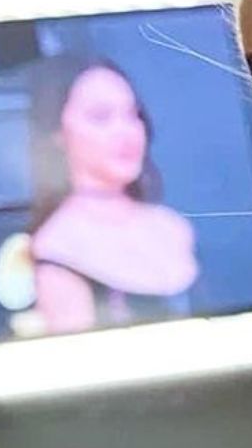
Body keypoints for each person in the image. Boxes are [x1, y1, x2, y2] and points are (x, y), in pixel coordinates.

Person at [27, 54, 197, 334]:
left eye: (132, 115)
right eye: (100, 117)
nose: (125, 132)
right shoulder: (58, 247)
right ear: (57, 132)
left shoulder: (172, 225)